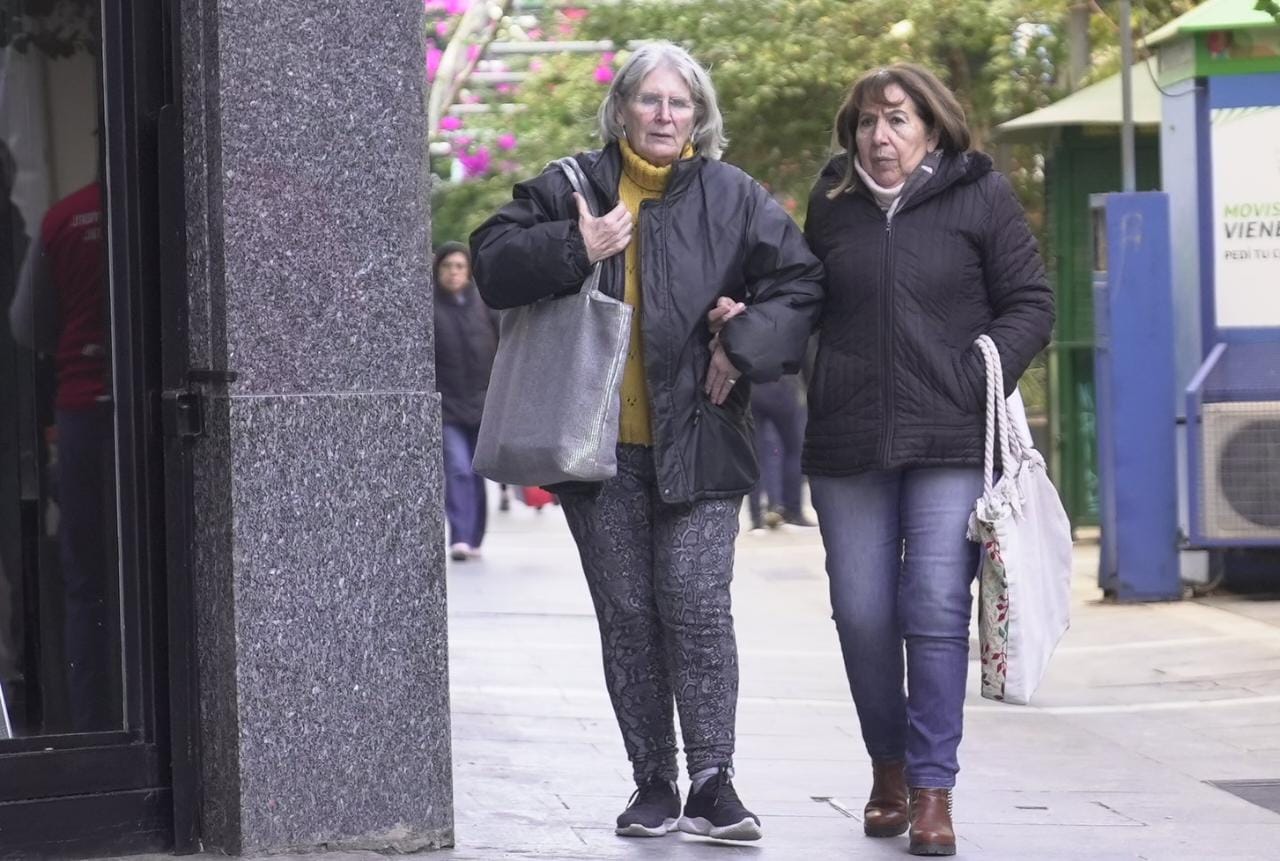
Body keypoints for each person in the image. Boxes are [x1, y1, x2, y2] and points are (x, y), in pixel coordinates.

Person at [471, 41, 822, 843]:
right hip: (595, 451)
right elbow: (491, 261)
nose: (664, 115)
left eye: (680, 103)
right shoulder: (572, 186)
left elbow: (800, 283)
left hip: (700, 441)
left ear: (700, 118)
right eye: (650, 100)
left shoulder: (733, 197)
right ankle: (652, 781)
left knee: (696, 607)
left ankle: (713, 779)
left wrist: (745, 341)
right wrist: (576, 248)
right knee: (629, 614)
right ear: (621, 107)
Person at [802, 64, 1054, 856]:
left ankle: (934, 790)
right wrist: (753, 316)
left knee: (935, 603)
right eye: (869, 123)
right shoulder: (833, 205)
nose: (881, 137)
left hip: (951, 435)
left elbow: (1032, 303)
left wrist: (983, 364)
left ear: (933, 128)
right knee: (863, 608)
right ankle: (889, 767)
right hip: (849, 440)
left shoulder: (980, 193)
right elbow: (804, 297)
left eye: (899, 120)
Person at [431, 241, 499, 562]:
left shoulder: (483, 304)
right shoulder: (429, 308)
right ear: (437, 270)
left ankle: (474, 537)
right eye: (447, 266)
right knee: (457, 468)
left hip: (483, 406)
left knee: (477, 472)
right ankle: (460, 536)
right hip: (447, 408)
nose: (453, 272)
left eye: (459, 266)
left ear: (469, 270)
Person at [747, 376, 812, 531]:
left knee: (756, 452)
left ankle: (756, 515)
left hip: (753, 387)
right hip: (782, 384)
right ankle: (792, 510)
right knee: (793, 450)